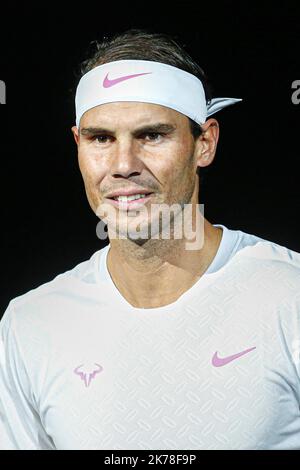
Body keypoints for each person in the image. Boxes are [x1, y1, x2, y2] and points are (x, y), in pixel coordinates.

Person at [1, 28, 300, 451]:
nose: (123, 165)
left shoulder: (291, 297)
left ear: (205, 144)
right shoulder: (29, 324)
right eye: (101, 138)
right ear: (77, 146)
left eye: (152, 135)